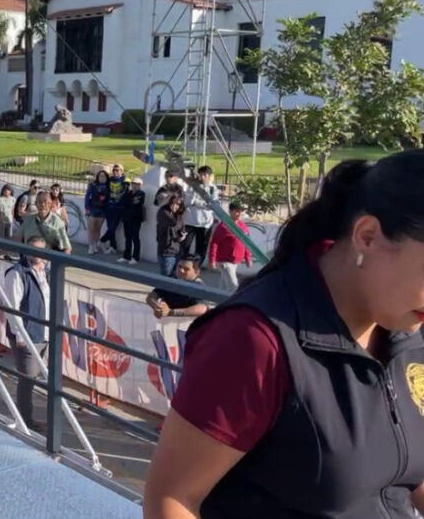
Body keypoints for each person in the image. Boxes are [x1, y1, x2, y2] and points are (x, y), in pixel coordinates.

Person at [143, 152, 424, 519]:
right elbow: (172, 500)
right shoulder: (254, 340)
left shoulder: (407, 330)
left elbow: (410, 470)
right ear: (367, 236)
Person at [3, 236, 50, 432]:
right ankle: (25, 421)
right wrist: (21, 337)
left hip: (44, 333)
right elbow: (11, 307)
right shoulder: (17, 274)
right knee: (27, 380)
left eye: (41, 249)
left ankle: (28, 418)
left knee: (37, 377)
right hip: (28, 335)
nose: (37, 254)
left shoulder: (47, 271)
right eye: (33, 249)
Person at [144, 256, 210, 320]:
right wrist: (157, 307)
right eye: (179, 266)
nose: (181, 270)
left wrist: (170, 312)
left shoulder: (199, 286)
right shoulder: (171, 279)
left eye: (186, 269)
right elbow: (151, 297)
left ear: (196, 272)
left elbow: (202, 309)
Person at [208, 201, 252, 291]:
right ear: (230, 211)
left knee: (224, 286)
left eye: (241, 211)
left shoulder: (242, 226)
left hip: (235, 262)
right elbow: (214, 243)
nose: (239, 214)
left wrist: (248, 258)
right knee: (233, 286)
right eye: (236, 211)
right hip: (225, 262)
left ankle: (217, 300)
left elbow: (246, 242)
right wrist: (212, 260)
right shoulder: (223, 226)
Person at [183, 165, 219, 264]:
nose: (202, 177)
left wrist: (197, 203)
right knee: (185, 246)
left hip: (205, 224)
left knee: (201, 248)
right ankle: (182, 266)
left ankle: (196, 267)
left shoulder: (213, 189)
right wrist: (194, 195)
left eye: (205, 175)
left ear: (209, 176)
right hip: (190, 222)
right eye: (201, 175)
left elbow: (212, 205)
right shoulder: (192, 187)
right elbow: (187, 203)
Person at [156, 194, 186, 277]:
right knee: (166, 279)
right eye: (173, 203)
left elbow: (182, 228)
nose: (175, 206)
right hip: (167, 252)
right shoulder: (163, 212)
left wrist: (183, 235)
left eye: (178, 204)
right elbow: (173, 223)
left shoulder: (179, 215)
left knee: (176, 277)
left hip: (177, 251)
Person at [100, 164, 127, 253]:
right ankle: (113, 246)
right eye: (114, 170)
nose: (115, 172)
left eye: (117, 170)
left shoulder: (125, 181)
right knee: (110, 226)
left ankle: (102, 240)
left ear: (121, 171)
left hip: (119, 207)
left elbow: (124, 194)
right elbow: (105, 190)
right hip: (109, 206)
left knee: (113, 227)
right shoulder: (110, 180)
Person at [119, 177, 146, 265]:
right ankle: (126, 256)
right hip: (127, 218)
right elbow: (122, 202)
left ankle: (135, 257)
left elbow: (136, 202)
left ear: (140, 185)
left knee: (135, 237)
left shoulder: (141, 194)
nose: (135, 186)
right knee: (127, 238)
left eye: (137, 184)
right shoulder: (128, 193)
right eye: (133, 184)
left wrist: (130, 200)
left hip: (136, 218)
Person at [85, 170, 111, 254]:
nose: (102, 178)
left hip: (102, 210)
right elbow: (87, 197)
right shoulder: (93, 185)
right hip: (93, 209)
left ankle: (95, 245)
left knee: (97, 229)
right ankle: (90, 246)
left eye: (104, 176)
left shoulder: (108, 187)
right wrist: (87, 208)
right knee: (91, 228)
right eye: (100, 176)